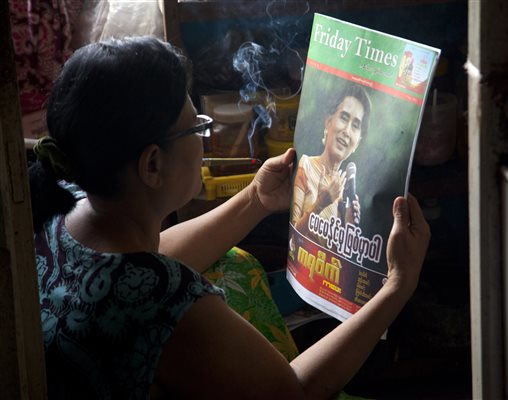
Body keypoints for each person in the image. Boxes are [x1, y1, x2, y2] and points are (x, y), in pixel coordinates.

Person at [29, 36, 430, 399]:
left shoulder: (70, 206)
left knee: (234, 262)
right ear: (153, 165)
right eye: (196, 129)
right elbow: (293, 393)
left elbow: (155, 257)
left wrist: (255, 199)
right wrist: (397, 284)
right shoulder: (165, 305)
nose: (203, 140)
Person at [292, 84, 371, 242]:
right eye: (344, 117)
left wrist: (348, 226)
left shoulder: (343, 195)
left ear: (358, 143)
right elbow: (293, 237)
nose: (347, 131)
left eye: (355, 126)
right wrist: (321, 202)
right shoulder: (306, 165)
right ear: (328, 122)